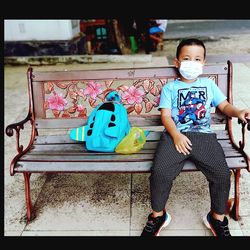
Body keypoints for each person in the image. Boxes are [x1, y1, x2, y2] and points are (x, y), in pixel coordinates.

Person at [141, 38, 250, 237]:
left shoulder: (208, 84)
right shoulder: (170, 88)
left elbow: (224, 106)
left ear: (203, 63)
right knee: (160, 173)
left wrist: (239, 112)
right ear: (177, 62)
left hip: (204, 137)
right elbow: (165, 115)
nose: (192, 62)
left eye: (197, 59)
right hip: (174, 136)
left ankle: (216, 218)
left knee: (221, 174)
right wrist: (176, 135)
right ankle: (158, 215)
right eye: (187, 58)